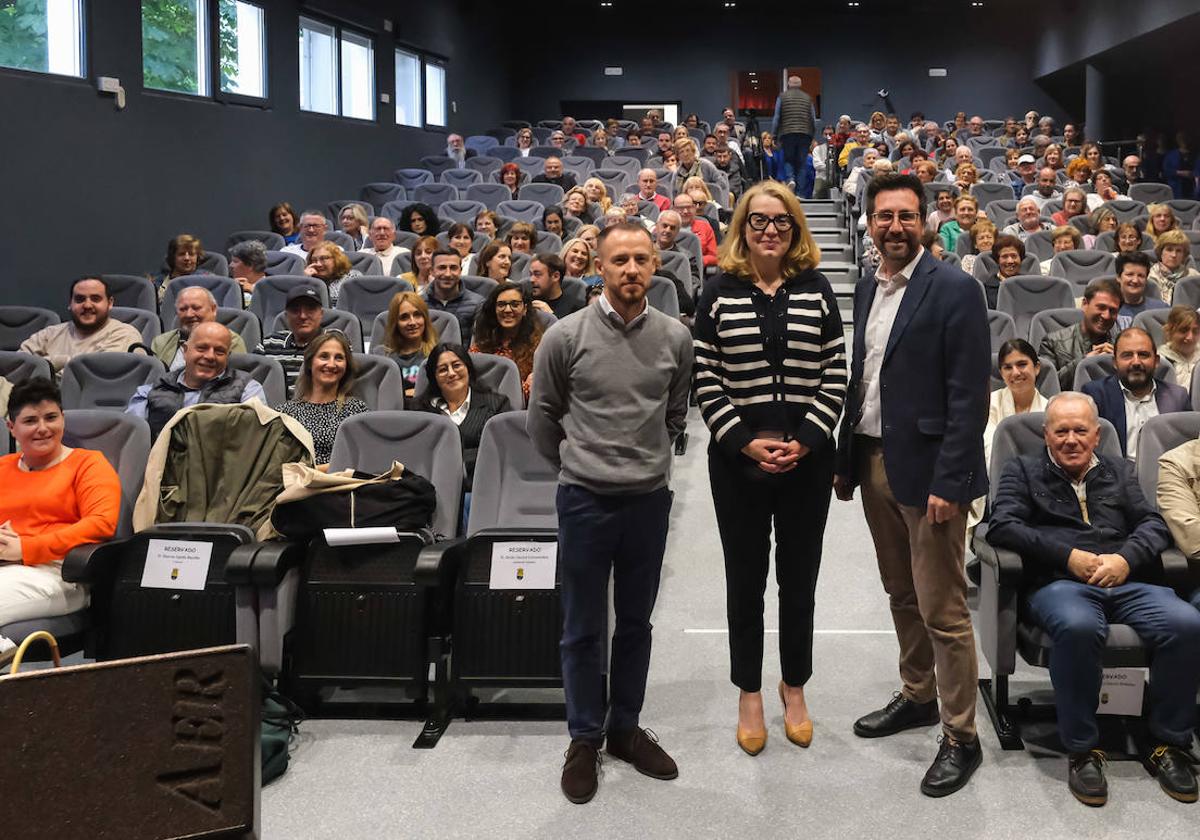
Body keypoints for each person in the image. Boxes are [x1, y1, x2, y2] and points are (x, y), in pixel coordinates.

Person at [833, 173, 989, 798]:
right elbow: (864, 376)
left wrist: (952, 481)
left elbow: (968, 395)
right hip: (876, 458)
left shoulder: (955, 288)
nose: (893, 227)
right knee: (900, 593)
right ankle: (919, 695)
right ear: (869, 222)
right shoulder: (870, 283)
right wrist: (846, 458)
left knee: (943, 608)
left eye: (905, 216)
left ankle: (961, 735)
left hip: (932, 476)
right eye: (882, 217)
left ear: (925, 220)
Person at [528, 221, 692, 805]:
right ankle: (583, 736)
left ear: (655, 266)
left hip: (648, 501)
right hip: (584, 499)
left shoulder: (676, 337)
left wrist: (644, 459)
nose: (631, 270)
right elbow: (542, 420)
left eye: (641, 260)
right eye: (619, 260)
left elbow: (676, 415)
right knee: (582, 627)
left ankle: (623, 728)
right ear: (599, 266)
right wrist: (581, 464)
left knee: (637, 623)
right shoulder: (565, 337)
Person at [693, 180, 846, 756]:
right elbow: (705, 375)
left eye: (781, 221)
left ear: (796, 228)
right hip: (738, 463)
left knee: (799, 579)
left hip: (807, 461)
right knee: (745, 581)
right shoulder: (718, 291)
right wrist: (743, 441)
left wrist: (807, 439)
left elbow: (836, 368)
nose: (770, 231)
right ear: (742, 228)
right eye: (758, 221)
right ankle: (749, 692)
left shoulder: (818, 287)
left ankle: (795, 686)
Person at [988, 392, 1200, 807]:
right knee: (1080, 627)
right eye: (1061, 431)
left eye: (1080, 430)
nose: (1071, 439)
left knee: (1187, 624)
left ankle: (1168, 742)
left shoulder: (1120, 470)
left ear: (1097, 435)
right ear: (1046, 435)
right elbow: (1003, 526)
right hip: (1060, 582)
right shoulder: (1023, 470)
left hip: (1127, 581)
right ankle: (1083, 748)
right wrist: (1067, 557)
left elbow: (1153, 525)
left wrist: (1125, 559)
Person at [0, 378, 120, 626]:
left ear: (63, 419)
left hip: (59, 574)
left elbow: (101, 524)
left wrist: (26, 548)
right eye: (30, 421)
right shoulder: (3, 467)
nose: (43, 428)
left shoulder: (88, 464)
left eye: (51, 417)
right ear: (11, 427)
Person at [127, 322, 265, 439]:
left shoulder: (248, 390)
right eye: (202, 348)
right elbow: (134, 441)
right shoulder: (152, 391)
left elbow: (254, 441)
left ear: (227, 356)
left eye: (219, 351)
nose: (210, 356)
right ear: (185, 351)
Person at [966, 339, 1049, 533]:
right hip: (994, 487)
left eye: (1022, 364)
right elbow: (990, 453)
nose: (1016, 373)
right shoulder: (988, 404)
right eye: (1007, 367)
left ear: (1036, 368)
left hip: (1043, 490)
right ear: (1001, 373)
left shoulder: (1051, 408)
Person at [1080, 327, 1189, 459]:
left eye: (1143, 354)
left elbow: (1189, 448)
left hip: (1167, 474)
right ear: (1115, 362)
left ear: (1156, 361)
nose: (1136, 362)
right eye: (1127, 355)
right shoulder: (1095, 395)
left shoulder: (1178, 397)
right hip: (1116, 476)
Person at [413, 344, 512, 490]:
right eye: (442, 370)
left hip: (480, 487)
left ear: (468, 368)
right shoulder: (419, 409)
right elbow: (418, 454)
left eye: (457, 365)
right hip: (431, 488)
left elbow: (499, 452)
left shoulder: (497, 404)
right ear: (434, 377)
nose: (451, 373)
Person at [278, 331, 368, 466]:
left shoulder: (357, 410)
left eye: (339, 358)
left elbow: (363, 460)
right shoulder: (284, 412)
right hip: (294, 484)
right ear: (310, 363)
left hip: (341, 484)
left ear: (346, 366)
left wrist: (313, 472)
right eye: (324, 357)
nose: (331, 364)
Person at [20, 276, 142, 373]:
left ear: (110, 303)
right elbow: (18, 367)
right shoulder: (49, 334)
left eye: (95, 299)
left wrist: (51, 363)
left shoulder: (125, 334)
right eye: (80, 299)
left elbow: (96, 373)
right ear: (70, 304)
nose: (87, 305)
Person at [1039, 278, 1121, 391]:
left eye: (1112, 311)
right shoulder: (1053, 341)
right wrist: (1083, 362)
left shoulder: (1121, 345)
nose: (1106, 315)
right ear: (1085, 304)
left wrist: (1120, 363)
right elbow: (1045, 387)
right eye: (1101, 307)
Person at [470, 281, 544, 403]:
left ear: (525, 309)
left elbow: (538, 391)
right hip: (484, 407)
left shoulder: (539, 346)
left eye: (515, 304)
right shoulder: (482, 344)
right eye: (501, 305)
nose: (507, 310)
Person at [151, 286, 247, 370]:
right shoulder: (161, 342)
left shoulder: (231, 342)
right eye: (183, 309)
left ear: (213, 309)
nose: (189, 314)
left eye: (196, 308)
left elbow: (236, 382)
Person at [256, 286, 328, 396]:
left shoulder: (334, 343)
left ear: (321, 314)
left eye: (310, 309)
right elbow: (250, 380)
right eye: (295, 310)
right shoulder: (269, 343)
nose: (303, 316)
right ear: (286, 316)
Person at [378, 291, 439, 401]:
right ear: (395, 322)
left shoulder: (438, 354)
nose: (412, 322)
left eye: (417, 315)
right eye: (404, 317)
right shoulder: (383, 357)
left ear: (425, 319)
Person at [422, 248, 484, 347]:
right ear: (432, 271)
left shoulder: (477, 303)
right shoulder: (420, 304)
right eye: (442, 268)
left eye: (453, 268)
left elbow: (477, 345)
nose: (448, 274)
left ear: (460, 271)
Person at [1114, 251, 1167, 330]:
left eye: (1141, 276)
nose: (1135, 280)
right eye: (1130, 274)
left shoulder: (1162, 309)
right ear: (1118, 277)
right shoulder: (1109, 310)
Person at [1149, 230, 1200, 304]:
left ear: (1184, 255)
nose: (1174, 255)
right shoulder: (1149, 275)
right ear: (1160, 252)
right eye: (1169, 250)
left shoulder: (1193, 275)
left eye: (1178, 251)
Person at [655, 209, 701, 290]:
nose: (667, 230)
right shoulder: (644, 251)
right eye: (664, 226)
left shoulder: (686, 257)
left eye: (672, 228)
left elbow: (693, 285)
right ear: (657, 226)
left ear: (678, 231)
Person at [531, 251, 586, 318]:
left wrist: (551, 316)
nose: (532, 279)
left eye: (537, 274)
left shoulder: (577, 308)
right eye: (531, 274)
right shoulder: (526, 301)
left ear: (556, 276)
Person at [304, 241, 360, 306]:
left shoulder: (352, 277)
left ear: (337, 259)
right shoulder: (310, 280)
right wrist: (305, 279)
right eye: (314, 260)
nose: (318, 264)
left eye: (324, 258)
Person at [1159, 305, 1200, 388]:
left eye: (1195, 331)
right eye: (1183, 330)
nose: (1189, 337)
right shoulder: (1160, 362)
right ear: (1169, 331)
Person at [981, 235, 1026, 309]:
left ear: (1021, 258)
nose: (1010, 261)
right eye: (1005, 256)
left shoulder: (1029, 284)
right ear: (997, 260)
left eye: (1014, 256)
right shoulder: (986, 289)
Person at [673, 192, 717, 268]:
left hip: (698, 270)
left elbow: (714, 256)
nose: (685, 211)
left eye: (689, 207)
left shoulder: (704, 226)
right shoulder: (666, 227)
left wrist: (698, 261)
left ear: (694, 208)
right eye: (681, 208)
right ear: (673, 209)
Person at [230, 239, 268, 306]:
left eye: (235, 261)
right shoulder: (229, 285)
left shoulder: (271, 287)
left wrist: (253, 290)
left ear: (250, 265)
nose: (230, 265)